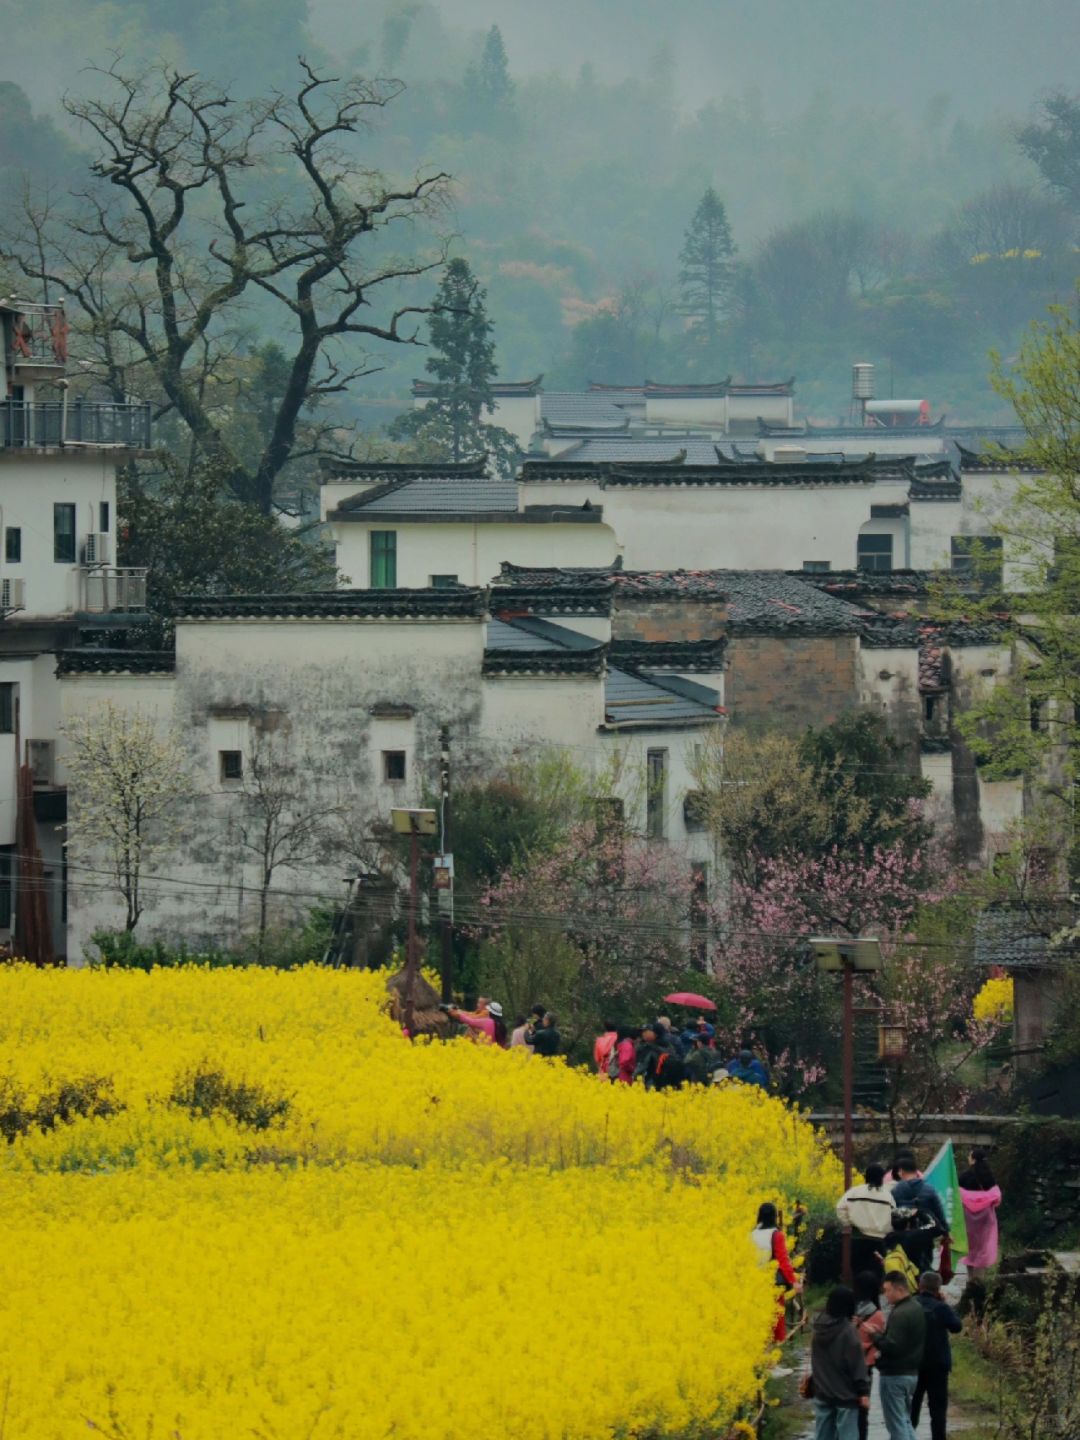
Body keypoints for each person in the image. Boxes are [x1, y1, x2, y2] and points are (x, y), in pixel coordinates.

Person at [810, 1285, 870, 1440]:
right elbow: (856, 1364)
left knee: (823, 1435)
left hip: (823, 1391)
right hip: (846, 1395)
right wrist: (863, 1391)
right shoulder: (847, 1331)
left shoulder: (818, 1328)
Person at [874, 1270, 926, 1440]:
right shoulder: (916, 1307)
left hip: (895, 1375)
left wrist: (876, 1338)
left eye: (888, 1290)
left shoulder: (900, 1313)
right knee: (904, 1421)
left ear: (898, 1289)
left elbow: (893, 1346)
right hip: (911, 1374)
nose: (885, 1295)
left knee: (896, 1426)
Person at [911, 1271, 963, 1440]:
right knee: (938, 1411)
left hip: (914, 1365)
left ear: (920, 1286)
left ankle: (908, 1436)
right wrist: (945, 1303)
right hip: (938, 1365)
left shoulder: (911, 1305)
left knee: (912, 1409)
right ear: (938, 1288)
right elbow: (957, 1326)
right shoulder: (940, 1307)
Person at [751, 1202, 802, 1343]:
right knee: (774, 1320)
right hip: (772, 1283)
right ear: (774, 1217)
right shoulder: (776, 1235)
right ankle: (771, 1357)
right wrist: (794, 1282)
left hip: (753, 1282)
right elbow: (783, 1261)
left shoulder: (751, 1234)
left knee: (758, 1319)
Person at [891, 1158, 948, 1272]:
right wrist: (946, 1231)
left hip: (903, 1237)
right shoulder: (929, 1189)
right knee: (925, 1267)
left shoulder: (896, 1190)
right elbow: (939, 1212)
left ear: (901, 1171)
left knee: (905, 1268)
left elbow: (892, 1212)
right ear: (916, 1171)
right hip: (925, 1236)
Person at [837, 1164, 895, 1276]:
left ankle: (859, 1292)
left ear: (866, 1176)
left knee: (858, 1270)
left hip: (859, 1238)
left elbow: (840, 1207)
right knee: (877, 1272)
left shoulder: (854, 1192)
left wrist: (848, 1222)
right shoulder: (887, 1196)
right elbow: (893, 1216)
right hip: (879, 1240)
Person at [959, 1148, 1002, 1283]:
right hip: (985, 1218)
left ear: (973, 1159)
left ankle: (971, 1281)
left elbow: (956, 1195)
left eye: (969, 1155)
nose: (968, 1157)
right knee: (982, 1249)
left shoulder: (964, 1176)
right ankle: (980, 1281)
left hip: (968, 1218)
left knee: (970, 1248)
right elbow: (996, 1199)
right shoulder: (989, 1177)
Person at [853, 1271, 886, 1440]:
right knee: (862, 1411)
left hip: (846, 1366)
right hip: (866, 1367)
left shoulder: (849, 1311)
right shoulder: (878, 1315)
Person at [876, 1212, 921, 1293]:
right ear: (907, 1224)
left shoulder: (887, 1239)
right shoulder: (913, 1237)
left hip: (898, 1284)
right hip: (912, 1282)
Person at [636, 1021, 684, 1089]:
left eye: (645, 1031)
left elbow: (641, 1069)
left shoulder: (648, 1048)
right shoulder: (669, 1046)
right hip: (669, 1085)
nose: (643, 1034)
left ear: (654, 1034)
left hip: (652, 1084)